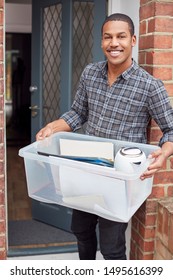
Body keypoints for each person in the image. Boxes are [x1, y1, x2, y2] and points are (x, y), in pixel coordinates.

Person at [36, 13, 173, 260]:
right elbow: (78, 113)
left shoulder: (150, 86)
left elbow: (171, 129)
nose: (114, 43)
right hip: (87, 167)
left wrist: (163, 153)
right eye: (108, 37)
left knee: (111, 247)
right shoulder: (90, 73)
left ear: (133, 40)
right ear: (101, 42)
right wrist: (52, 127)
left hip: (119, 178)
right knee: (81, 230)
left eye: (121, 36)